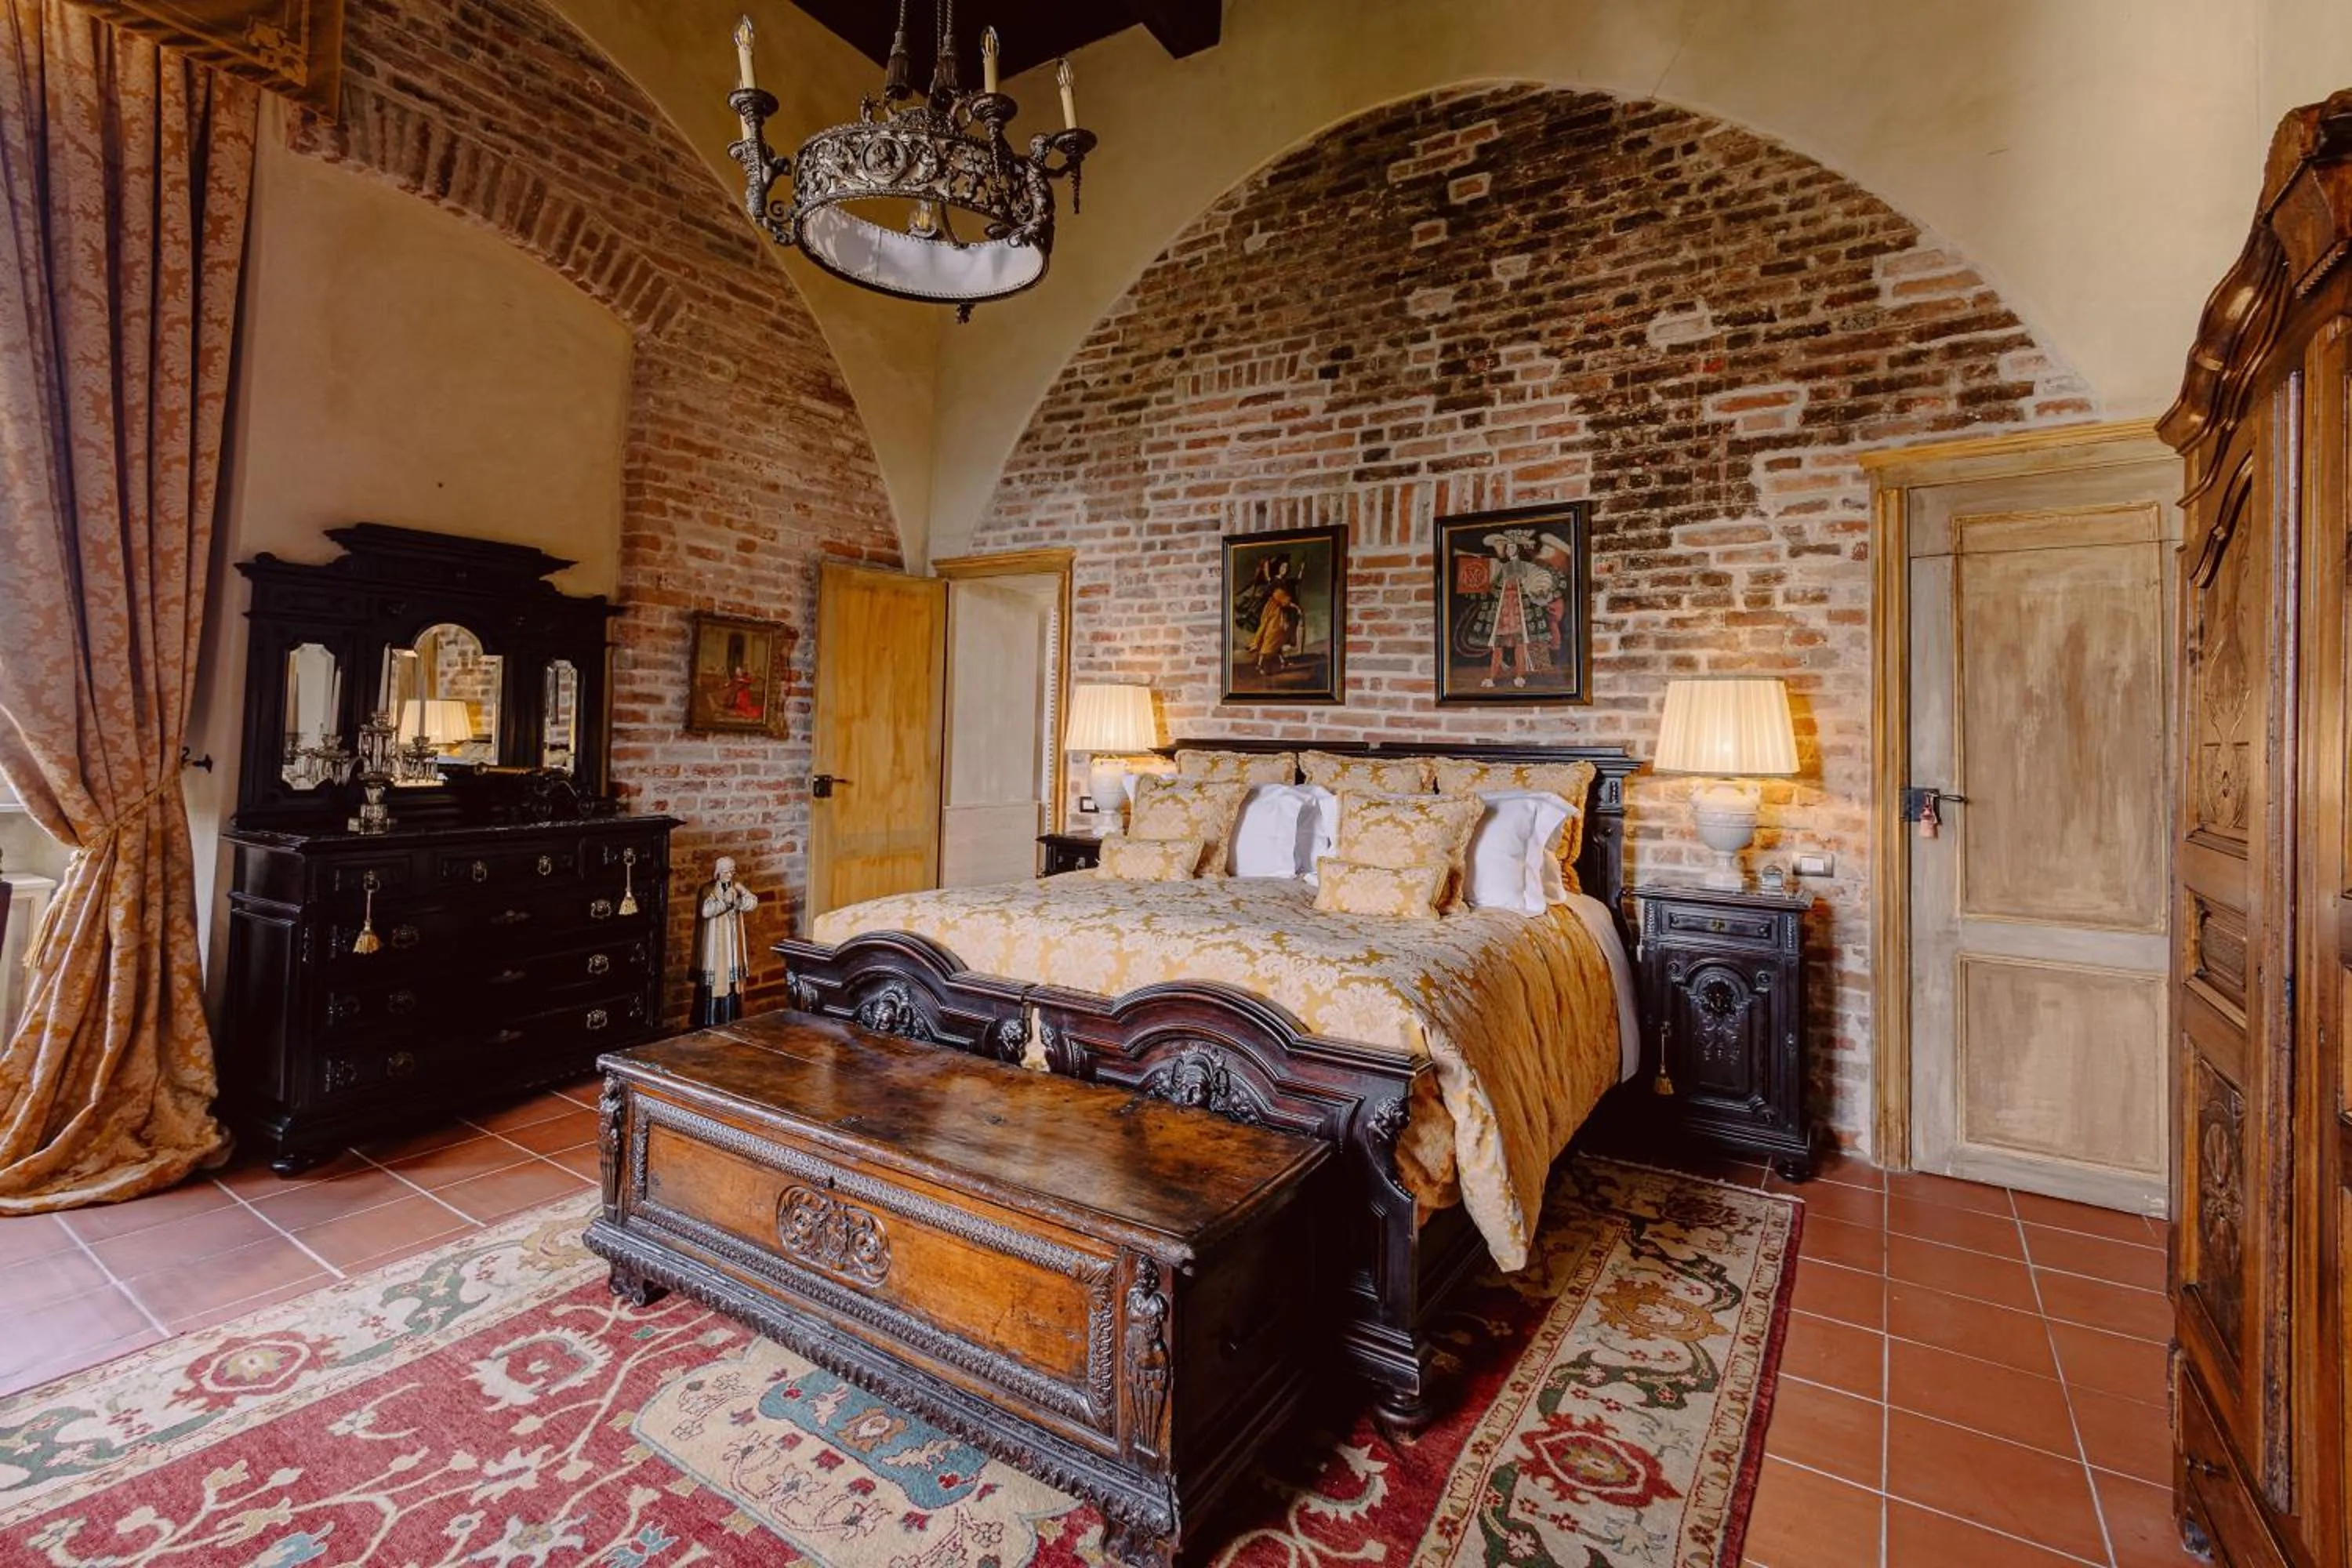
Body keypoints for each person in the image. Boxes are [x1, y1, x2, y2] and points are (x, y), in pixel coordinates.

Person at [691, 856, 760, 1026]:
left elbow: (752, 902)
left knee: (731, 983)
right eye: (726, 871)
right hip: (714, 946)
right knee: (713, 983)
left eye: (732, 871)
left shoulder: (736, 887)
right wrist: (725, 902)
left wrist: (740, 896)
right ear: (718, 872)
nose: (730, 875)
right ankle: (709, 1020)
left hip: (731, 945)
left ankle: (731, 1021)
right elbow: (706, 911)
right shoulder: (708, 890)